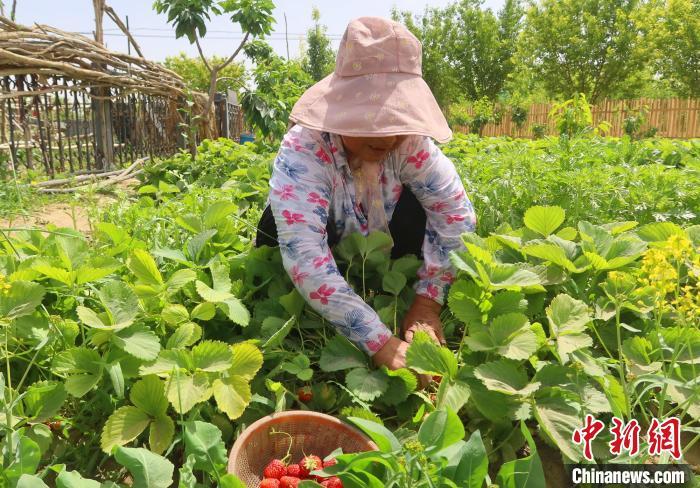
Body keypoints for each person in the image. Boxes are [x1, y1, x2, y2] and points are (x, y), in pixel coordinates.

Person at [255, 17, 476, 372]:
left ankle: (384, 275)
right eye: (370, 119)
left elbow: (454, 212)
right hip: (323, 237)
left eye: (395, 119)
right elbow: (305, 255)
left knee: (422, 206)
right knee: (272, 229)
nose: (387, 137)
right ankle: (293, 290)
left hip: (377, 241)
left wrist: (428, 300)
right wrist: (379, 342)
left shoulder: (410, 144)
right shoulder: (306, 147)